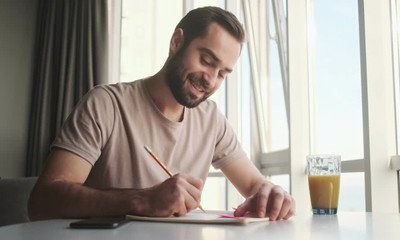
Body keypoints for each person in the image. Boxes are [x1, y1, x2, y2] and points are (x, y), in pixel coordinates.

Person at [28, 6, 295, 221]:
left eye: (223, 73)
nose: (211, 80)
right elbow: (42, 202)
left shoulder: (211, 120)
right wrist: (142, 200)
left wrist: (271, 193)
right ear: (177, 41)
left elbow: (255, 186)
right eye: (206, 61)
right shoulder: (106, 104)